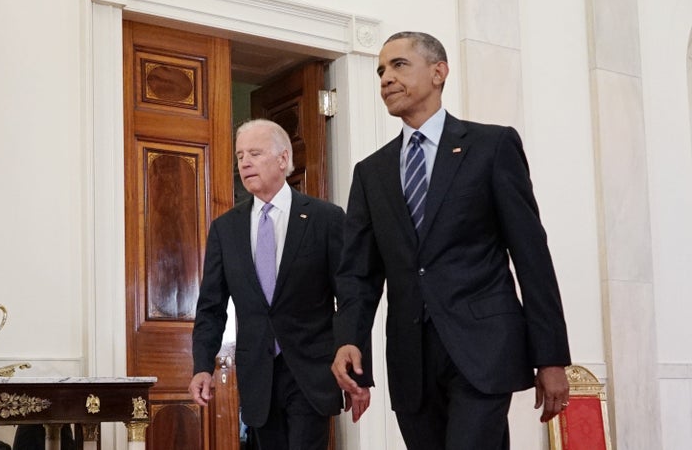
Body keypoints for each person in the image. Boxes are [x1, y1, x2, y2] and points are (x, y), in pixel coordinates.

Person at [330, 31, 571, 450]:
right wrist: (349, 338)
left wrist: (550, 356)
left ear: (438, 72)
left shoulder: (491, 146)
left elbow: (531, 255)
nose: (386, 78)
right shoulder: (371, 173)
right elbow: (359, 273)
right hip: (411, 361)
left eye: (399, 65)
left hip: (484, 348)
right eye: (380, 70)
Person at [189, 119, 370, 450]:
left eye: (255, 153)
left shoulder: (325, 218)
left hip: (312, 373)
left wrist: (359, 375)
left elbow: (351, 297)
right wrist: (202, 365)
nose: (244, 162)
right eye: (240, 155)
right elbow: (211, 307)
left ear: (283, 159)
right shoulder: (225, 229)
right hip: (258, 374)